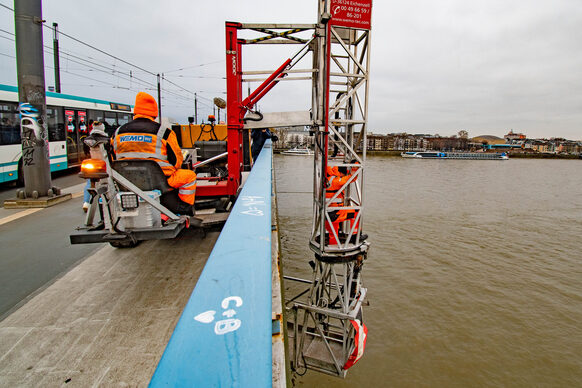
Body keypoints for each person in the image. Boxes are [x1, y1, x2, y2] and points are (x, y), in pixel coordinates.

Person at [111, 92, 197, 212]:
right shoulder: (163, 132)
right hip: (161, 181)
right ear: (154, 112)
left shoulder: (118, 133)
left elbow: (112, 157)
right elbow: (177, 160)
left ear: (136, 111)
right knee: (189, 176)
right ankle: (184, 208)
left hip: (127, 181)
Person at [82, 121, 109, 212]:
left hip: (92, 164)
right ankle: (106, 201)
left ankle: (86, 202)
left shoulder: (87, 139)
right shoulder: (106, 138)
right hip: (103, 164)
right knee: (107, 183)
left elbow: (85, 151)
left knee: (89, 183)